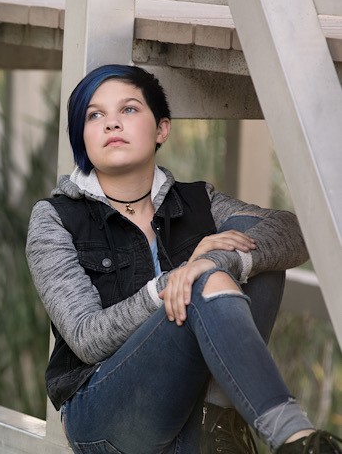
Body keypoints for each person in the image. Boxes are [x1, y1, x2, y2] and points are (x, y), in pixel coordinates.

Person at [25, 64, 342, 454]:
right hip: (106, 413)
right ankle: (296, 439)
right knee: (206, 277)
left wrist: (220, 261)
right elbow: (88, 339)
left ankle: (220, 423)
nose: (111, 124)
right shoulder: (56, 218)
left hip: (194, 409)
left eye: (128, 110)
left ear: (162, 129)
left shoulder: (196, 201)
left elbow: (292, 231)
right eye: (95, 115)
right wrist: (172, 283)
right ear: (82, 135)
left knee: (247, 246)